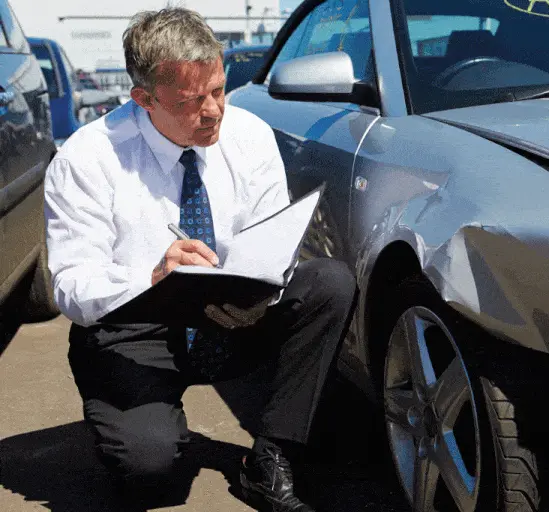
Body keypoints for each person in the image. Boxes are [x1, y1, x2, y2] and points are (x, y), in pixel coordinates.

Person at [43, 8, 355, 512]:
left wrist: (264, 289)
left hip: (231, 316)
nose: (213, 111)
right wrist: (152, 276)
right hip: (134, 330)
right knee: (149, 471)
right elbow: (72, 287)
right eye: (191, 101)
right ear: (144, 100)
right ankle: (142, 423)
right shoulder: (86, 159)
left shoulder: (249, 134)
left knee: (330, 283)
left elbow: (272, 240)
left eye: (218, 89)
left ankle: (271, 458)